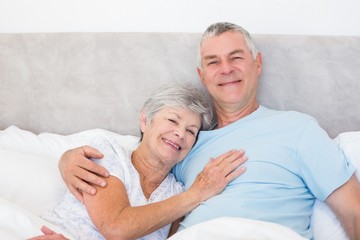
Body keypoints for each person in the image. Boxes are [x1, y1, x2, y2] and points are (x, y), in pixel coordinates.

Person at [58, 22, 360, 240]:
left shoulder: (298, 129)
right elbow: (137, 180)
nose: (225, 69)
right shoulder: (185, 145)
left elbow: (354, 212)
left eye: (236, 57)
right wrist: (68, 159)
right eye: (213, 62)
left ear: (257, 63)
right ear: (203, 76)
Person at [30, 84, 247, 240]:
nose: (180, 134)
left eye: (191, 131)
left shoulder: (177, 194)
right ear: (145, 120)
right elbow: (115, 227)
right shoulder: (107, 153)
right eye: (172, 120)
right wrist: (197, 193)